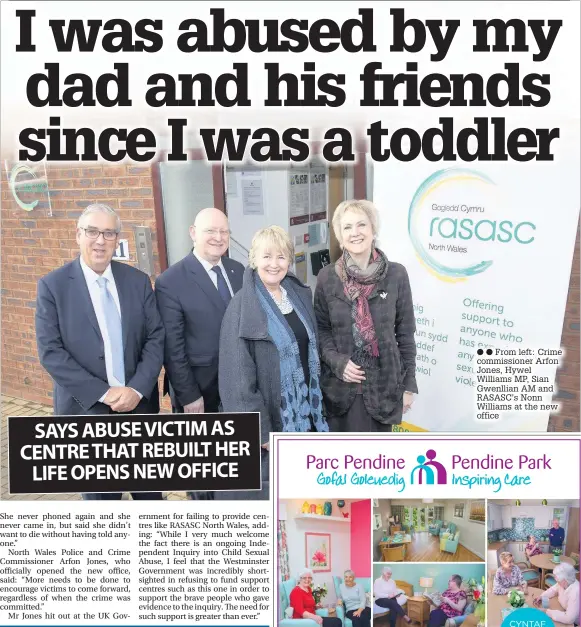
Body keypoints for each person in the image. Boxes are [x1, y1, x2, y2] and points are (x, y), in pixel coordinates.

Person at [35, 204, 165, 500]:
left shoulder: (137, 281)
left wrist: (136, 388)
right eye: (92, 232)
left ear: (116, 238)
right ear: (78, 235)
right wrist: (105, 394)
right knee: (103, 508)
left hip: (139, 409)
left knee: (152, 500)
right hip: (86, 413)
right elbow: (51, 353)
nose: (100, 240)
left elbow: (156, 337)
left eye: (108, 233)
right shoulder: (53, 286)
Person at [219, 226, 328, 499]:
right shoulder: (242, 306)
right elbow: (237, 381)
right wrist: (261, 432)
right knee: (276, 498)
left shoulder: (299, 295)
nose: (274, 264)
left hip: (306, 415)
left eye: (281, 257)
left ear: (289, 261)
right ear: (254, 259)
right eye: (266, 256)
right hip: (274, 423)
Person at [155, 207, 244, 501]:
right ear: (193, 233)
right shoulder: (172, 280)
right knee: (201, 467)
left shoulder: (237, 270)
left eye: (224, 232)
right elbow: (173, 346)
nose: (218, 238)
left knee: (232, 461)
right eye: (211, 231)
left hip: (237, 387)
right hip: (199, 392)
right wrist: (189, 395)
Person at [314, 200, 418, 432]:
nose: (355, 233)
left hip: (384, 390)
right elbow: (321, 330)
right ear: (340, 236)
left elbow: (405, 334)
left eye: (361, 225)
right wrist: (338, 363)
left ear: (373, 229)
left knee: (376, 462)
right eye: (347, 227)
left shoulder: (396, 275)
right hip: (340, 392)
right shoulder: (326, 277)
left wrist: (408, 386)